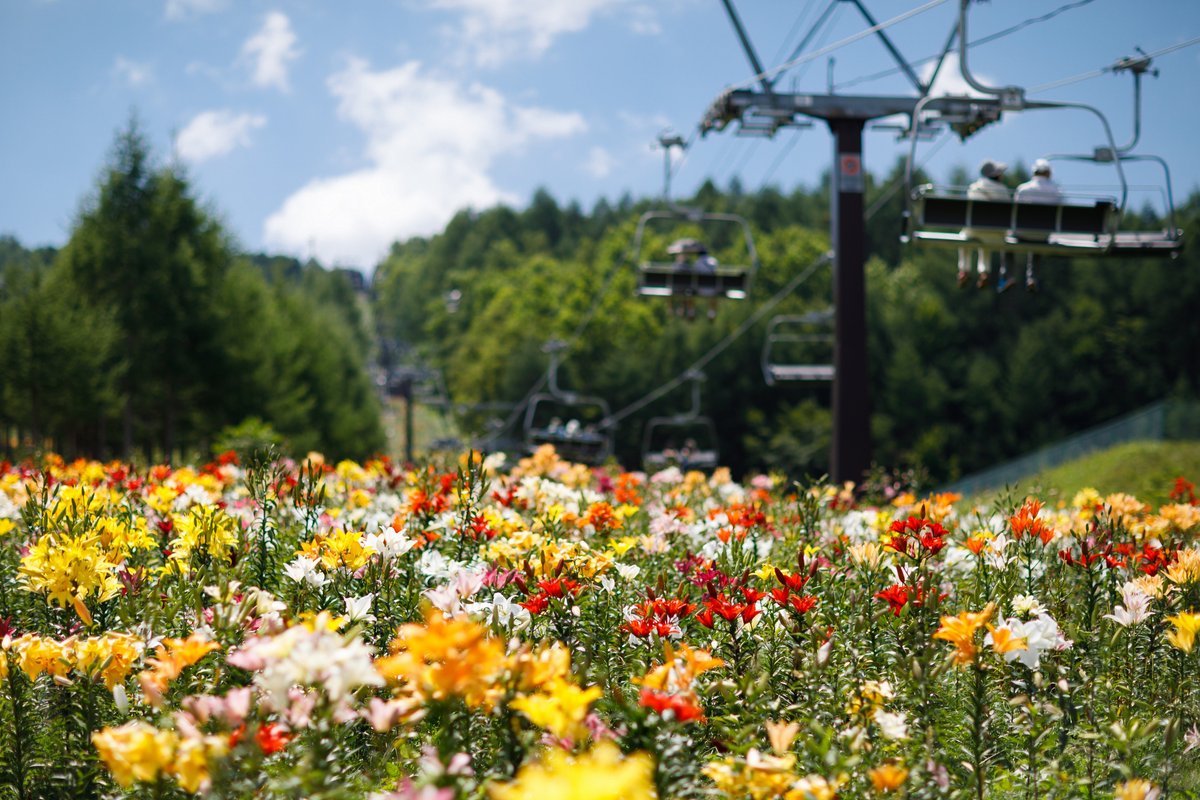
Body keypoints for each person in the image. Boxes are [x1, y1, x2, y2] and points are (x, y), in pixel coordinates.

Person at [959, 160, 1011, 290]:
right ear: (997, 175)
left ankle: (964, 269)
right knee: (987, 238)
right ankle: (984, 271)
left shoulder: (974, 188)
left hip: (975, 230)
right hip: (997, 234)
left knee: (964, 237)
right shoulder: (1003, 190)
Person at [1014, 159, 1062, 291]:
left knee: (1008, 240)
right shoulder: (1056, 191)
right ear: (1048, 173)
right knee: (1038, 240)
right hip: (1044, 234)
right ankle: (1032, 277)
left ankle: (1007, 275)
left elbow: (1015, 213)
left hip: (1023, 233)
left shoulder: (1023, 189)